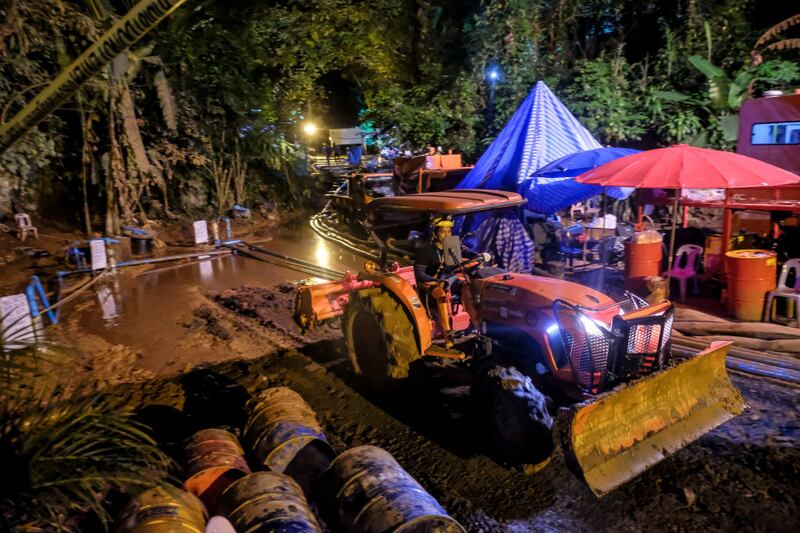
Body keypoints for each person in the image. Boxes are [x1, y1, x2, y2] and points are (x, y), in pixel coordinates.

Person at [414, 216, 488, 348]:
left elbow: (466, 251)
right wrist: (436, 281)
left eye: (449, 231)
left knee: (468, 287)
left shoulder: (454, 245)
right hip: (430, 283)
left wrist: (478, 256)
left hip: (450, 279)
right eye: (443, 231)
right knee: (442, 294)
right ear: (435, 233)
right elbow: (419, 274)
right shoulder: (426, 251)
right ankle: (448, 335)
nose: (446, 235)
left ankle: (477, 326)